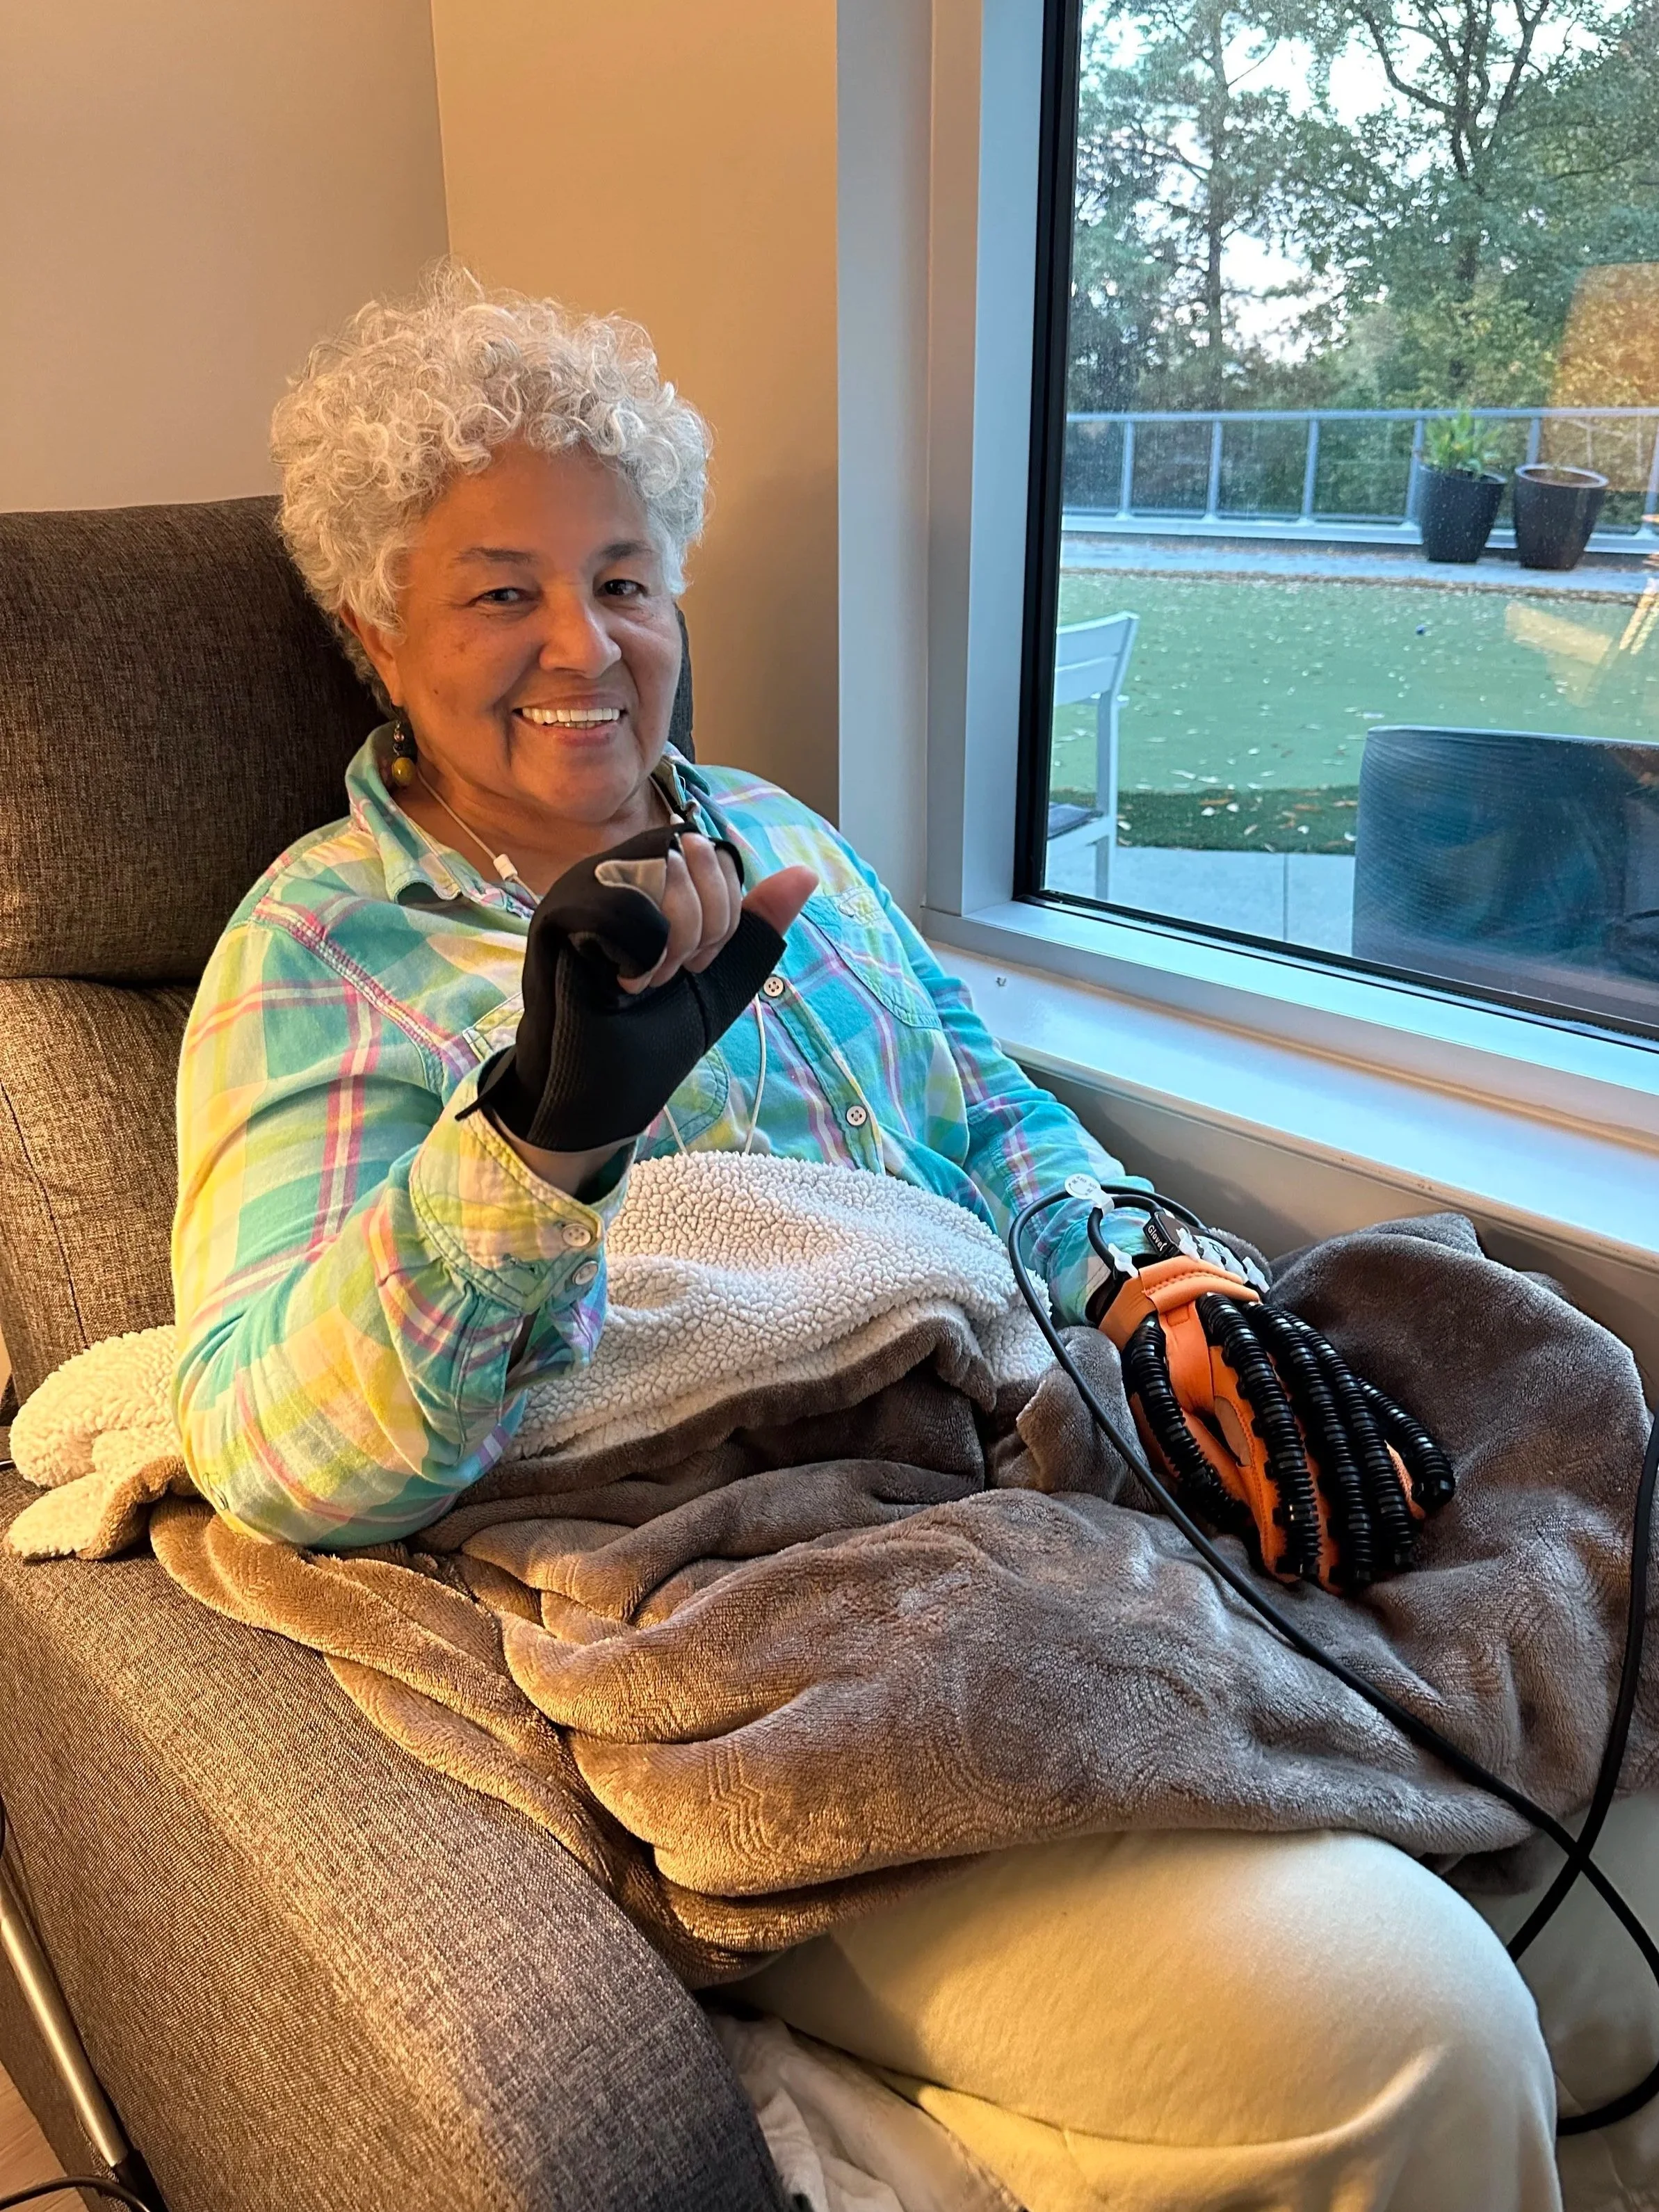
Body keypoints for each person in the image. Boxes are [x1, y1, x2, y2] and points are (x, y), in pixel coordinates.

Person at [170, 266, 1560, 2212]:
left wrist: (1155, 1277)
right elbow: (264, 1450)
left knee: (1594, 1882)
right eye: (501, 588)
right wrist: (542, 1143)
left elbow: (998, 1127)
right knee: (1413, 2020)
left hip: (1036, 1505)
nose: (587, 641)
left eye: (627, 577)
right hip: (783, 1639)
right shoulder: (320, 951)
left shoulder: (777, 840)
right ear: (370, 635)